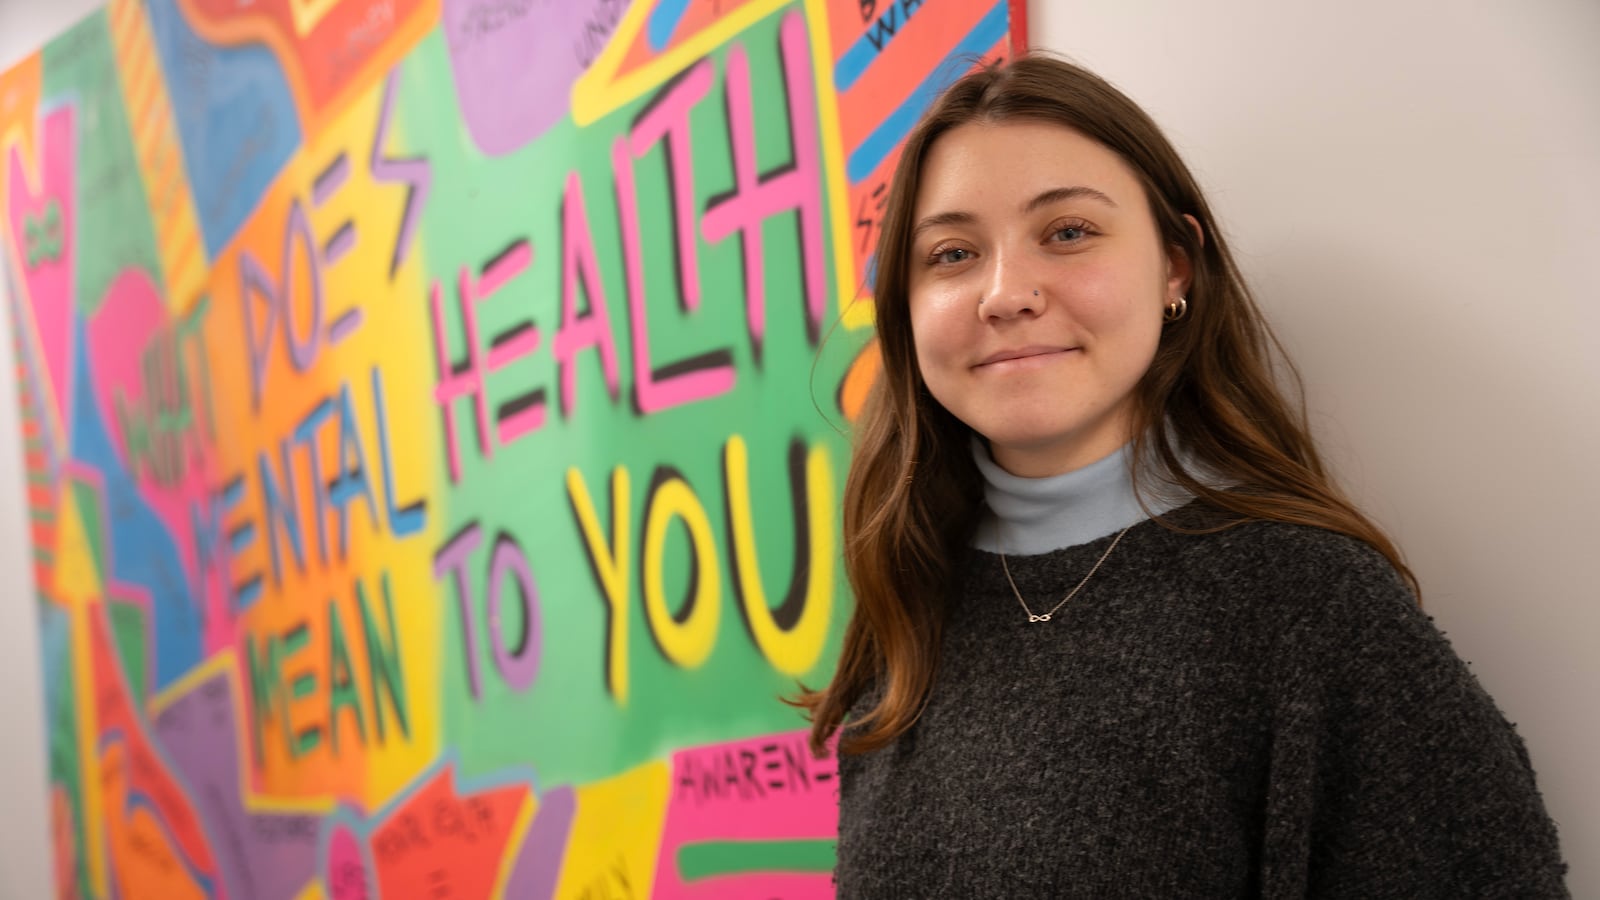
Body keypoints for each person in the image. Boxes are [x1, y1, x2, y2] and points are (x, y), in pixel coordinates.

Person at [794, 54, 1569, 898]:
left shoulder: (1307, 606)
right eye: (951, 253)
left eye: (1067, 233)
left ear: (1176, 267)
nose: (1006, 293)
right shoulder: (912, 595)